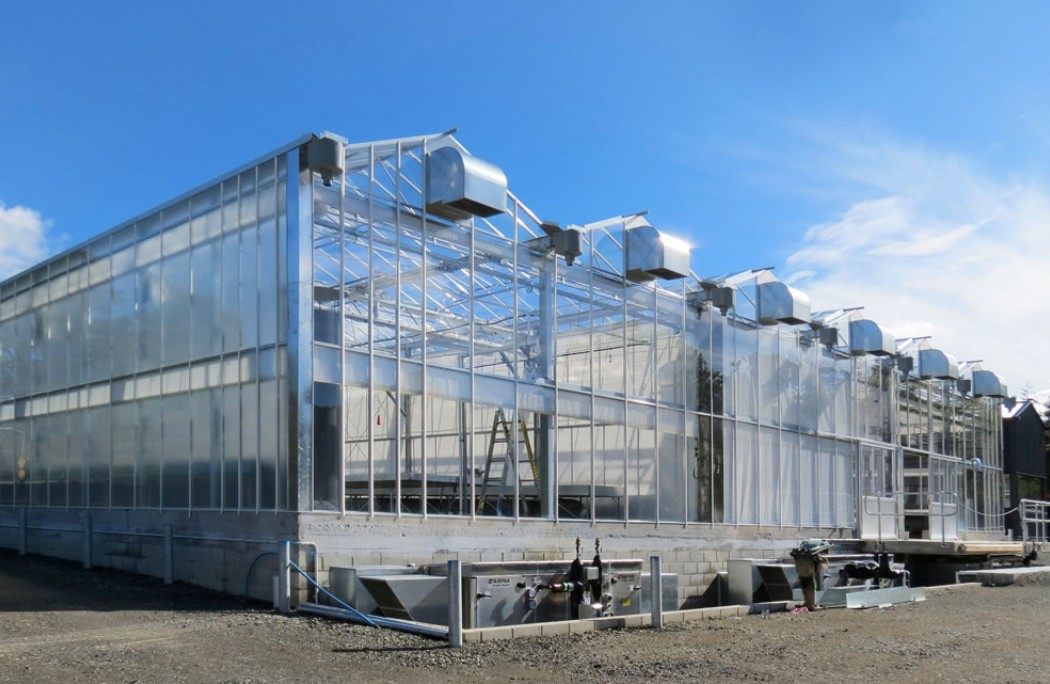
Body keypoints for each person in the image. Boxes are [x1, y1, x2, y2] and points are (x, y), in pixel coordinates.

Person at [790, 539, 831, 611]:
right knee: (810, 585)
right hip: (807, 567)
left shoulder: (806, 547)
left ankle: (808, 602)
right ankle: (811, 604)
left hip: (800, 566)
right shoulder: (819, 546)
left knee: (804, 584)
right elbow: (817, 560)